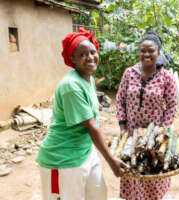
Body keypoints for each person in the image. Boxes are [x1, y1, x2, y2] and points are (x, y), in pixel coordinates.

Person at [36, 28, 128, 200]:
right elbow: (92, 127)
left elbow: (92, 124)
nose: (90, 57)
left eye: (92, 51)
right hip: (63, 159)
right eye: (82, 54)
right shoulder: (71, 86)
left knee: (98, 195)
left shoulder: (88, 79)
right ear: (73, 60)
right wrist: (111, 160)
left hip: (85, 152)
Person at [116, 32, 177, 199]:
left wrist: (161, 130)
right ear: (138, 52)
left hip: (154, 136)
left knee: (152, 170)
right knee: (132, 169)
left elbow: (172, 105)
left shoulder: (166, 76)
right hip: (130, 134)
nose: (147, 54)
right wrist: (122, 127)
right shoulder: (129, 73)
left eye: (151, 51)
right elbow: (120, 100)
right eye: (143, 50)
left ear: (158, 53)